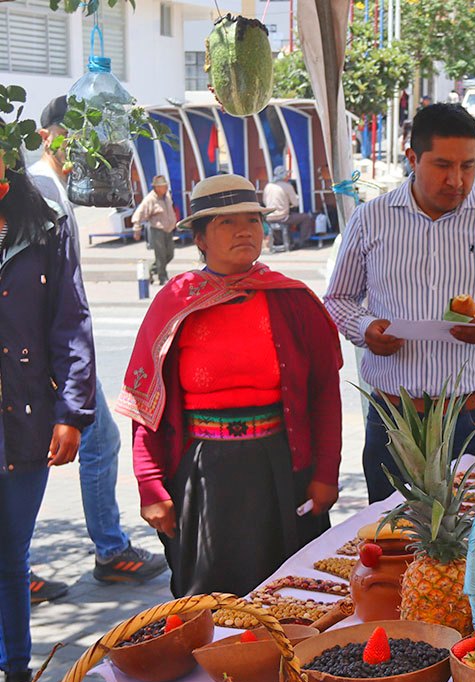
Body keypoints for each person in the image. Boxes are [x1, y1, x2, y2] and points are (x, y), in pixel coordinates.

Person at [116, 175, 342, 598]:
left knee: (291, 597)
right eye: (226, 222)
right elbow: (148, 407)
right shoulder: (175, 304)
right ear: (199, 238)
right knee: (213, 604)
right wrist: (150, 486)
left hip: (280, 469)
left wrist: (326, 471)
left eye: (252, 221)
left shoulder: (292, 300)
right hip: (204, 477)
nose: (244, 231)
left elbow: (324, 394)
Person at [324, 103, 475, 504]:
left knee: (473, 538)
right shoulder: (371, 219)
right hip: (394, 417)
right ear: (412, 158)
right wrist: (365, 329)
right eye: (443, 165)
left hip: (474, 420)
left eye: (468, 166)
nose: (456, 180)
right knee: (386, 538)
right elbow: (338, 298)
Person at [29, 96, 166, 593]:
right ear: (47, 135)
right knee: (40, 454)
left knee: (95, 441)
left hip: (47, 355)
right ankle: (99, 552)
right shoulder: (42, 191)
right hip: (44, 358)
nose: (83, 149)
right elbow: (49, 295)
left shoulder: (50, 189)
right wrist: (57, 370)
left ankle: (103, 550)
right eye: (73, 136)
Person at [0, 148, 96, 682]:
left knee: (11, 552)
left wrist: (73, 413)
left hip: (25, 417)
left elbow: (72, 321)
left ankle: (15, 675)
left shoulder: (47, 225)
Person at [132, 175, 177, 285]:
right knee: (160, 254)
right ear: (157, 188)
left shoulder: (167, 196)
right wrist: (137, 228)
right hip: (157, 230)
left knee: (170, 254)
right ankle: (163, 277)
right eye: (163, 186)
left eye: (166, 186)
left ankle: (153, 270)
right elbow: (139, 213)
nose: (166, 188)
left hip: (169, 229)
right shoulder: (150, 199)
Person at [263, 165, 314, 250]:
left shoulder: (268, 186)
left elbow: (265, 201)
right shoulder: (287, 186)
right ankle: (303, 241)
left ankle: (283, 242)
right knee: (306, 217)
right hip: (282, 217)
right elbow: (296, 203)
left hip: (269, 217)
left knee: (288, 219)